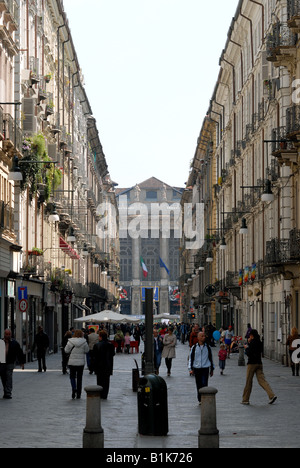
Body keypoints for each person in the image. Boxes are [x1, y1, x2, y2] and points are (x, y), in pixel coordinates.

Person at [242, 329, 277, 405]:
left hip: (252, 364)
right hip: (259, 363)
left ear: (252, 335)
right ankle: (271, 395)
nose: (249, 337)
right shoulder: (260, 342)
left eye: (250, 335)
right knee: (262, 380)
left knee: (248, 381)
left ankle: (245, 399)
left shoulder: (252, 343)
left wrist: (246, 347)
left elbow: (249, 353)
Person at [189, 332, 214, 405]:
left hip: (205, 368)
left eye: (204, 336)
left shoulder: (208, 347)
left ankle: (204, 398)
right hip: (197, 368)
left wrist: (212, 369)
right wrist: (190, 369)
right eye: (202, 336)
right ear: (198, 338)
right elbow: (191, 358)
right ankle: (200, 399)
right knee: (198, 384)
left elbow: (211, 358)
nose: (204, 337)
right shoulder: (194, 347)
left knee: (204, 383)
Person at [0, 329, 25, 399]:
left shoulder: (14, 343)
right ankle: (6, 390)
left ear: (10, 335)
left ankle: (8, 392)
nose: (7, 336)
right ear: (4, 334)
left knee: (9, 376)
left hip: (10, 362)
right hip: (2, 363)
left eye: (8, 334)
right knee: (3, 377)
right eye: (6, 334)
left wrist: (22, 362)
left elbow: (19, 353)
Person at [64, 329, 89, 400]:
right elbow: (87, 350)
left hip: (72, 362)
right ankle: (78, 394)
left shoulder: (70, 341)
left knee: (72, 377)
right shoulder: (84, 342)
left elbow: (66, 350)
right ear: (81, 334)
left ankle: (74, 388)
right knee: (79, 378)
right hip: (80, 363)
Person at [93, 330, 115, 399]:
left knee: (99, 380)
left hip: (99, 366)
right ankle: (105, 394)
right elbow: (113, 354)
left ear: (101, 337)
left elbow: (94, 356)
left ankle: (100, 393)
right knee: (106, 381)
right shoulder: (110, 345)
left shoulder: (96, 345)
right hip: (108, 365)